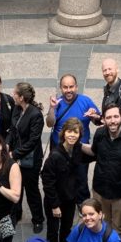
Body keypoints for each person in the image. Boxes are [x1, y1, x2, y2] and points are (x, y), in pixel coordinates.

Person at [83, 103, 121, 242]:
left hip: (120, 192)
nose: (113, 120)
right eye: (109, 117)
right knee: (100, 223)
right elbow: (94, 152)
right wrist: (77, 143)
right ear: (104, 119)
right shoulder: (100, 134)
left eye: (116, 116)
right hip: (100, 189)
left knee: (118, 227)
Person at [46, 73, 98, 202]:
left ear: (76, 87)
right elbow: (50, 123)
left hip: (80, 149)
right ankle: (61, 200)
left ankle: (82, 204)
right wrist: (52, 109)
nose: (68, 90)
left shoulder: (86, 101)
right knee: (60, 177)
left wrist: (94, 116)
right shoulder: (57, 102)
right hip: (60, 149)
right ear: (61, 88)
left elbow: (99, 121)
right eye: (65, 87)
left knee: (81, 177)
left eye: (71, 87)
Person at [41, 118, 84, 242]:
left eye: (75, 132)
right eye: (69, 131)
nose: (72, 135)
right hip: (55, 200)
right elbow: (47, 182)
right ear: (63, 133)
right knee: (53, 230)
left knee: (66, 228)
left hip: (69, 198)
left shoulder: (77, 150)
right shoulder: (55, 156)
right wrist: (54, 205)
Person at [8, 82, 46, 233]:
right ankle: (17, 214)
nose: (13, 95)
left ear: (21, 97)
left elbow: (33, 141)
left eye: (15, 94)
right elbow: (12, 130)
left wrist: (14, 154)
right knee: (16, 186)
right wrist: (7, 145)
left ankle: (38, 219)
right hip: (17, 155)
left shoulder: (35, 114)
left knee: (31, 189)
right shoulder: (17, 109)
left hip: (31, 159)